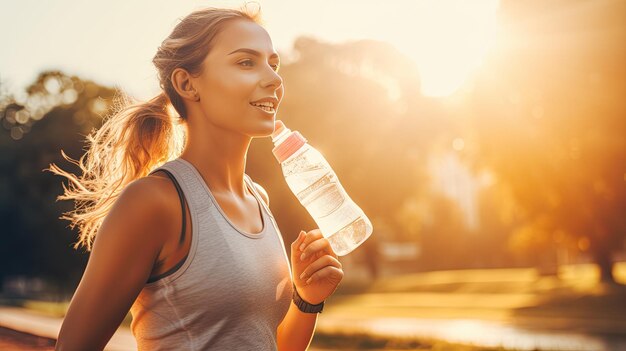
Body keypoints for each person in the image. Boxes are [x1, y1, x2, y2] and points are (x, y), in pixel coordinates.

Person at [50, 6, 344, 350]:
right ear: (187, 83)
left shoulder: (257, 198)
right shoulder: (154, 202)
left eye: (273, 64)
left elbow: (269, 343)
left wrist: (307, 300)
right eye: (246, 62)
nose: (275, 79)